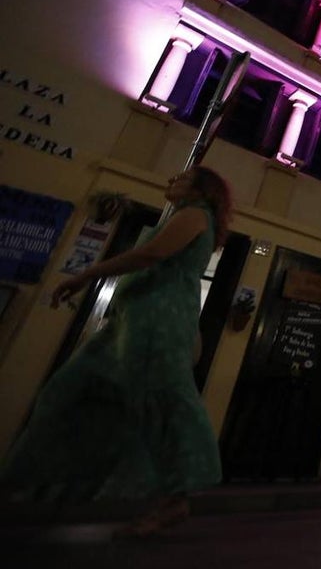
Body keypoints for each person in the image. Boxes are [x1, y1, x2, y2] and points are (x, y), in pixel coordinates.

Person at [0, 166, 232, 537]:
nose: (171, 180)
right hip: (129, 321)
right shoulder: (184, 216)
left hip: (158, 322)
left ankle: (175, 497)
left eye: (182, 178)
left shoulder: (195, 215)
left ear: (202, 191)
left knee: (161, 401)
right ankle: (46, 480)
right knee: (74, 388)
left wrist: (85, 275)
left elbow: (150, 254)